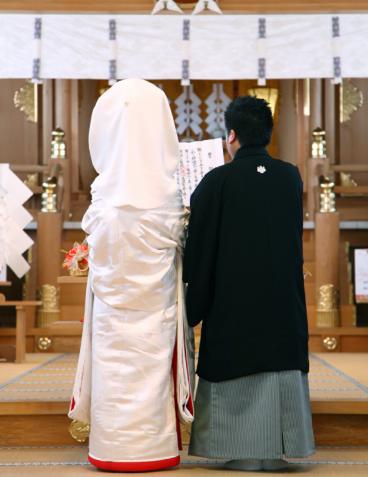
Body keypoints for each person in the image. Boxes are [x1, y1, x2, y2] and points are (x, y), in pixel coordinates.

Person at [183, 96, 315, 471]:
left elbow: (199, 249)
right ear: (268, 135)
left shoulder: (217, 181)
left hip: (233, 303)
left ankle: (240, 448)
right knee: (278, 356)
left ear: (231, 135)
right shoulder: (289, 176)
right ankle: (278, 450)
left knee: (236, 357)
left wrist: (195, 300)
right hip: (281, 302)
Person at [69, 79, 193, 472]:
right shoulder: (167, 194)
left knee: (113, 372)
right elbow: (179, 242)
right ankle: (152, 449)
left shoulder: (103, 194)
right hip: (155, 304)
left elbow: (102, 243)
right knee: (150, 371)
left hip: (111, 304)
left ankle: (112, 448)